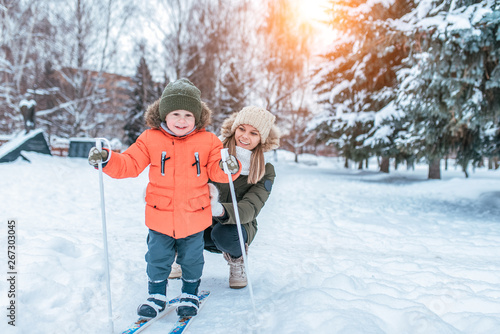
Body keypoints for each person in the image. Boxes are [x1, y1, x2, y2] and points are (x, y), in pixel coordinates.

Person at [88, 78, 240, 318]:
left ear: (198, 117)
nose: (182, 120)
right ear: (163, 114)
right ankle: (156, 294)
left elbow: (216, 170)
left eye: (189, 115)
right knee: (157, 257)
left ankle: (190, 293)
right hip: (160, 214)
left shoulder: (208, 141)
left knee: (192, 258)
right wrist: (108, 160)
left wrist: (230, 166)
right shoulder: (150, 139)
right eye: (176, 113)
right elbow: (129, 163)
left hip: (194, 215)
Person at [206, 106, 280, 288]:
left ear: (262, 139)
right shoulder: (214, 154)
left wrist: (220, 209)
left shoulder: (266, 170)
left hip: (237, 226)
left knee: (225, 233)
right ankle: (182, 258)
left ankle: (237, 260)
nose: (245, 136)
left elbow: (251, 207)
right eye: (241, 129)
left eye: (253, 133)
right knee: (178, 223)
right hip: (204, 219)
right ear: (234, 128)